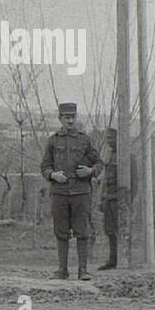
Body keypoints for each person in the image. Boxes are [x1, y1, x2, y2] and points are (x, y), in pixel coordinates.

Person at [41, 103, 103, 281]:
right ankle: (62, 270)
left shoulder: (85, 140)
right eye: (66, 117)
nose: (70, 120)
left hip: (81, 192)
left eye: (72, 117)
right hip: (60, 192)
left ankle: (83, 270)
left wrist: (90, 171)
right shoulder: (53, 141)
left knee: (82, 231)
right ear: (60, 119)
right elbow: (44, 167)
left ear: (76, 118)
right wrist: (53, 175)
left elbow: (99, 163)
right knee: (61, 232)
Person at [97, 127, 119, 270]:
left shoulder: (126, 157)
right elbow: (105, 179)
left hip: (118, 200)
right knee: (110, 230)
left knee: (119, 230)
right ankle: (113, 260)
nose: (109, 141)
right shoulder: (110, 155)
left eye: (112, 138)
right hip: (109, 199)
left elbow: (133, 182)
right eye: (108, 138)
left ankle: (120, 259)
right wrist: (102, 198)